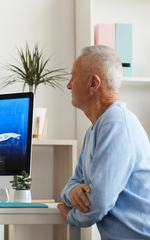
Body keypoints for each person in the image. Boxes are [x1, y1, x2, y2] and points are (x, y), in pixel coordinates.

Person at [57, 45, 150, 239]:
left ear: (93, 83)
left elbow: (97, 203)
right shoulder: (95, 129)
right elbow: (73, 183)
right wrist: (72, 191)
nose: (68, 85)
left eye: (73, 77)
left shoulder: (116, 123)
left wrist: (71, 215)